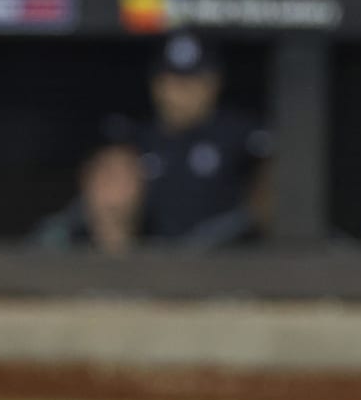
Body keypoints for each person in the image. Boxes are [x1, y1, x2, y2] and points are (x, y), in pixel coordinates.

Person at [106, 33, 273, 249]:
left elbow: (277, 173)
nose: (180, 93)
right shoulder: (137, 136)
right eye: (172, 81)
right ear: (156, 85)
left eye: (192, 82)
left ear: (214, 83)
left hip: (229, 256)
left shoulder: (238, 132)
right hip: (149, 256)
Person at [30, 144, 147, 255]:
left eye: (129, 176)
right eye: (110, 175)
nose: (119, 186)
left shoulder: (160, 237)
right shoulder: (55, 239)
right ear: (87, 181)